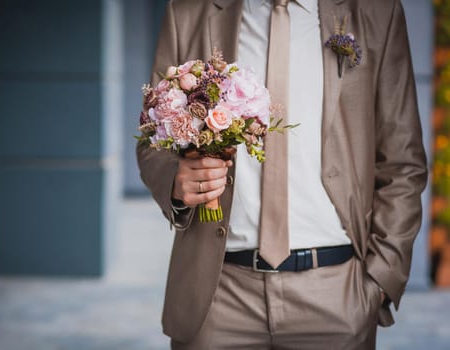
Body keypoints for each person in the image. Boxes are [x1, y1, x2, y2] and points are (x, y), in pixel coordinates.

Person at [137, 0, 428, 349]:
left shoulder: (377, 11)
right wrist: (175, 180)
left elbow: (402, 161)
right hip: (216, 296)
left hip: (337, 293)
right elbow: (151, 137)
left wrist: (381, 278)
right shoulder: (188, 12)